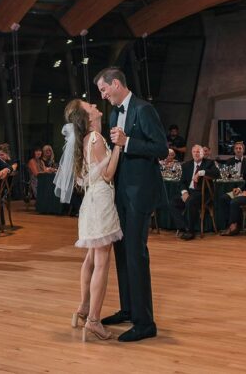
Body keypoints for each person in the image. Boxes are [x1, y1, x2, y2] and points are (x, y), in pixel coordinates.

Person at [94, 67, 167, 343]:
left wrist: (128, 142)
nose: (103, 95)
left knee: (136, 254)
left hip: (140, 195)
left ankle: (145, 322)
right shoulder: (114, 114)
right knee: (122, 253)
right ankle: (128, 309)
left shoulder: (144, 109)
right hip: (120, 195)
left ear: (115, 84)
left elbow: (161, 148)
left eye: (104, 89)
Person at [63, 98, 124, 342]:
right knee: (101, 260)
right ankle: (94, 321)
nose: (94, 105)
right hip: (101, 200)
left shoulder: (85, 141)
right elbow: (108, 174)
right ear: (86, 117)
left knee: (90, 257)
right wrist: (119, 146)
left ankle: (84, 307)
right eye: (88, 105)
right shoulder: (96, 139)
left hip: (91, 202)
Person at [174, 144, 219, 240]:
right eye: (194, 152)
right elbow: (182, 182)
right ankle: (183, 227)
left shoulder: (209, 163)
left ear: (203, 153)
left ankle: (190, 231)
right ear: (191, 153)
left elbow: (217, 174)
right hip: (189, 191)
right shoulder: (186, 165)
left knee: (191, 201)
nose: (196, 154)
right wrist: (184, 192)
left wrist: (200, 172)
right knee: (172, 203)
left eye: (198, 152)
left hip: (202, 193)